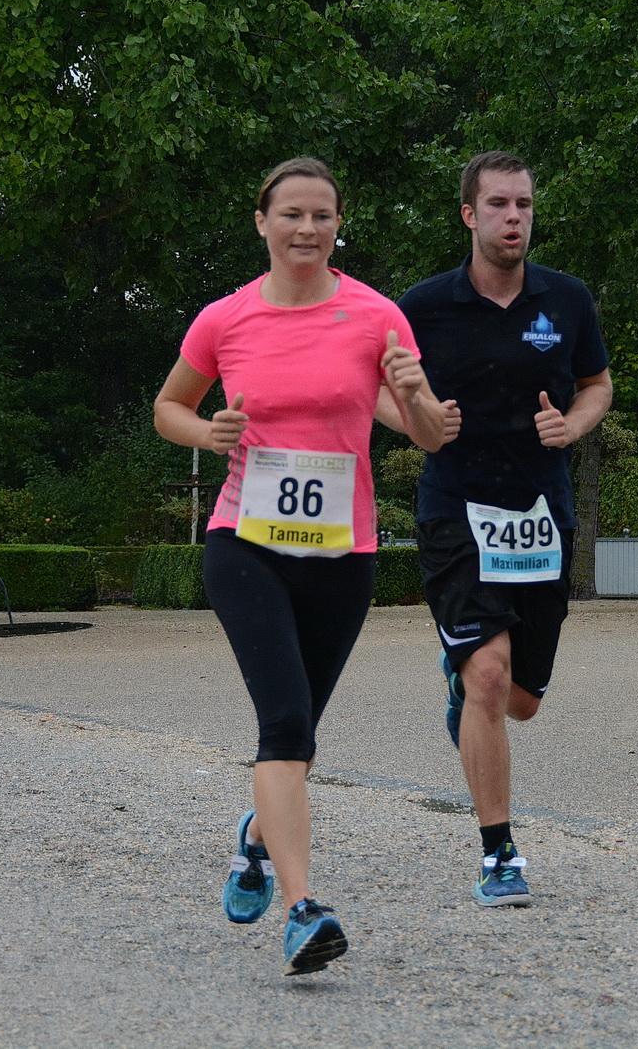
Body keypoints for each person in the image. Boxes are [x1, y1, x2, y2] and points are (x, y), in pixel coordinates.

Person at [154, 157, 447, 974]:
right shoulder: (225, 319)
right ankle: (303, 909)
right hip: (244, 547)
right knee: (284, 724)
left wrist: (418, 393)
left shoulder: (377, 316)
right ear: (262, 223)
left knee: (300, 737)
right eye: (291, 214)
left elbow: (425, 434)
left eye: (322, 215)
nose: (307, 229)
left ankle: (255, 838)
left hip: (342, 556)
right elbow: (167, 405)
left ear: (338, 223)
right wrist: (203, 432)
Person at [397, 151, 612, 907]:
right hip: (456, 506)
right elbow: (370, 388)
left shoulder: (567, 299)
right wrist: (422, 424)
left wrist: (571, 427)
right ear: (469, 214)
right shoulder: (422, 307)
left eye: (523, 204)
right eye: (497, 204)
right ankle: (499, 854)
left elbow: (598, 384)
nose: (513, 217)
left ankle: (466, 690)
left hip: (539, 513)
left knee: (520, 698)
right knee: (487, 674)